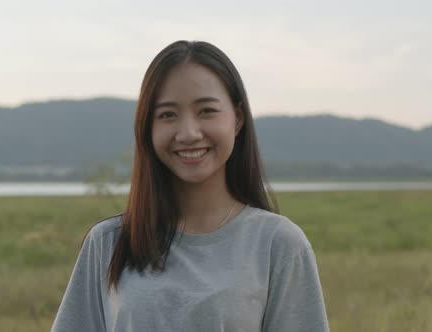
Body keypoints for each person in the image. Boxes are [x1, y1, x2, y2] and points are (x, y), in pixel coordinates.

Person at [51, 40, 329, 332]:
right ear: (148, 127)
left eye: (206, 111)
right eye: (168, 115)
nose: (188, 133)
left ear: (237, 119)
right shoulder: (108, 242)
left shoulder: (279, 244)